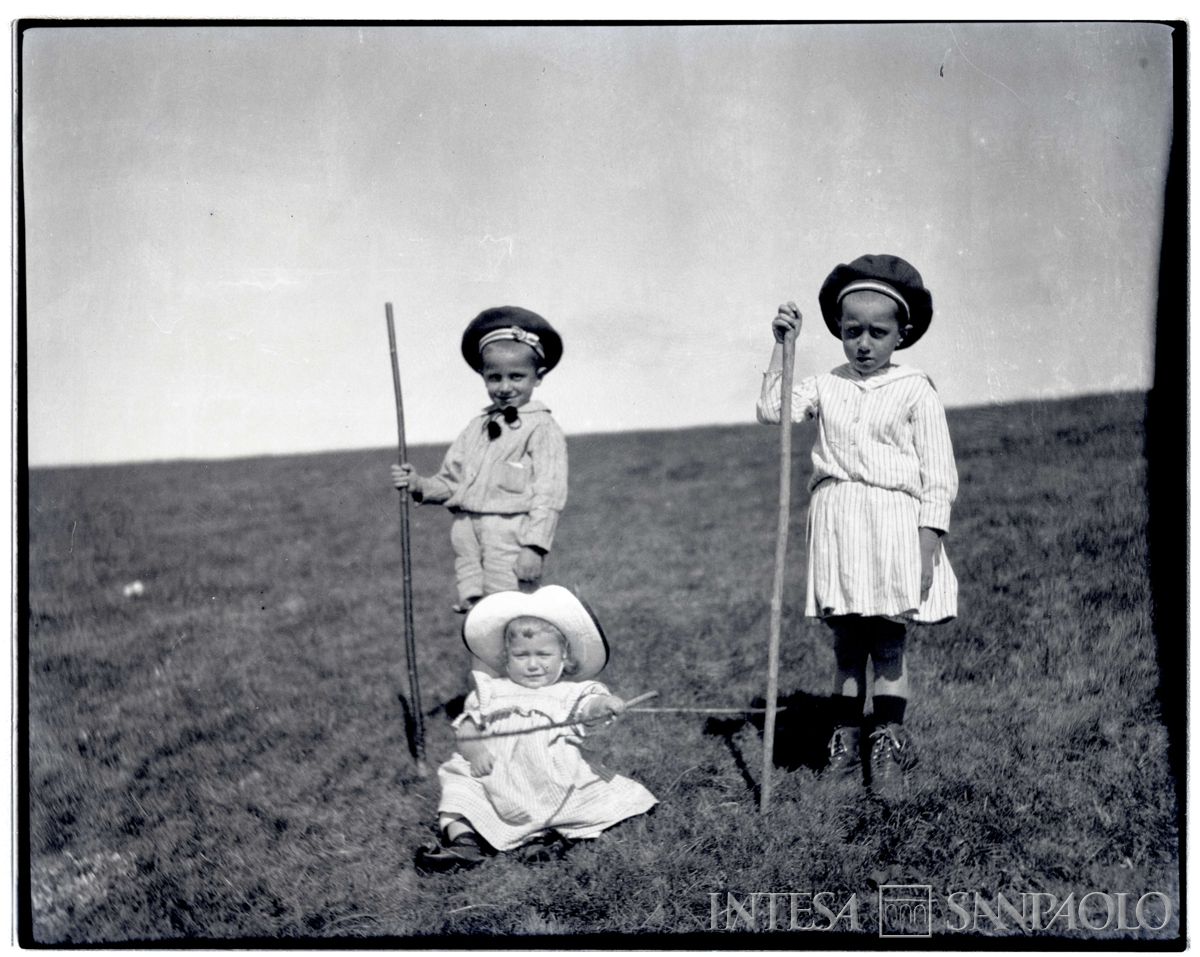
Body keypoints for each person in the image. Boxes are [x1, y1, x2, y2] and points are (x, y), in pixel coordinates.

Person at [756, 254, 958, 798]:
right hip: (838, 522)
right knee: (847, 642)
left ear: (901, 334)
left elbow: (939, 476)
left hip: (895, 525)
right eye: (852, 332)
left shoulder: (915, 388)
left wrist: (927, 545)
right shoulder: (826, 384)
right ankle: (844, 742)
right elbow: (773, 409)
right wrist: (782, 345)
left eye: (877, 332)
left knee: (888, 640)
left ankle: (887, 742)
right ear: (839, 331)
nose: (863, 344)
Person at [414, 585, 658, 874]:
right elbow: (466, 726)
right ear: (506, 658)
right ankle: (464, 843)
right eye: (521, 655)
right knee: (459, 787)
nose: (532, 665)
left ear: (564, 657)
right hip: (496, 779)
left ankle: (545, 840)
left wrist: (604, 705)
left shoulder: (569, 692)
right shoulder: (492, 692)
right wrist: (475, 749)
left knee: (573, 803)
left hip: (550, 778)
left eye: (543, 655)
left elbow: (588, 708)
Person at [391, 306, 568, 614]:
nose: (505, 387)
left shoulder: (542, 427)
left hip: (509, 535)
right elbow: (452, 482)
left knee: (510, 612)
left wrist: (534, 547)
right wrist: (418, 485)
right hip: (466, 537)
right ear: (483, 376)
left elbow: (548, 494)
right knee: (476, 617)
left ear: (537, 377)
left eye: (516, 377)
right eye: (494, 377)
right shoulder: (476, 427)